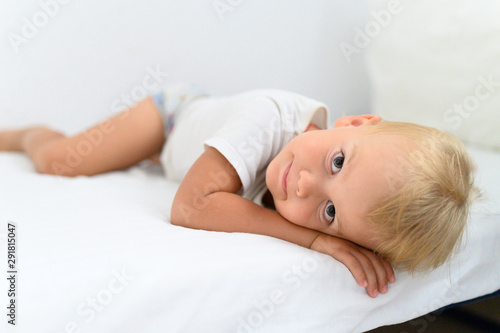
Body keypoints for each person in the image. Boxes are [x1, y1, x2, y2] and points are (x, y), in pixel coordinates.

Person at [0, 84, 478, 298]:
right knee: (60, 163)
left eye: (330, 212)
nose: (306, 184)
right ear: (354, 122)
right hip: (170, 121)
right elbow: (190, 207)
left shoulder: (311, 179)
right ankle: (28, 133)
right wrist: (315, 237)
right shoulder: (270, 116)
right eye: (337, 161)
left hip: (193, 152)